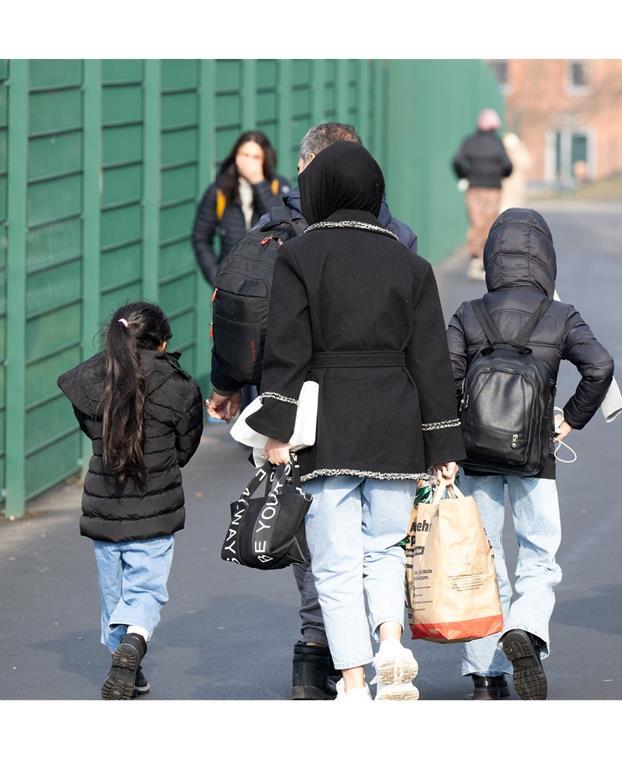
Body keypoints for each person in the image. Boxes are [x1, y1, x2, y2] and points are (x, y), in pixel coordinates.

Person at [205, 121, 421, 700]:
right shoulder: (393, 236)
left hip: (290, 403)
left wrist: (230, 388)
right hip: (384, 409)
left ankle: (317, 654)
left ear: (305, 167)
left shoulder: (274, 232)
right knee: (378, 543)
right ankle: (378, 645)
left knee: (318, 540)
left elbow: (242, 313)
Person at [246, 141, 465, 701]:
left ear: (318, 191)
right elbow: (430, 359)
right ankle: (392, 642)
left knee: (337, 560)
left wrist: (277, 428)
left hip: (328, 425)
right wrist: (443, 444)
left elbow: (288, 351)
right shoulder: (410, 263)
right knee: (386, 548)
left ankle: (353, 680)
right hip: (396, 420)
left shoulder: (300, 257)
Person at [446, 208, 615, 700]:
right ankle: (525, 627)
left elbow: (443, 379)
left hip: (474, 455)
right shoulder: (560, 316)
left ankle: (484, 673)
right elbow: (600, 366)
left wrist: (449, 442)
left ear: (491, 256)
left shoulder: (468, 312)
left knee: (483, 557)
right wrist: (568, 420)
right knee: (539, 554)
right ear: (546, 259)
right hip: (534, 454)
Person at [57, 302, 204, 699]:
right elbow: (186, 446)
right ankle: (135, 644)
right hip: (154, 509)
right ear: (163, 343)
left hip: (104, 507)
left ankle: (125, 664)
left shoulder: (92, 380)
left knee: (114, 593)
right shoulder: (179, 385)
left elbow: (91, 428)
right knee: (146, 590)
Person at [191, 130, 290, 286]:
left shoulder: (279, 187)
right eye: (244, 154)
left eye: (256, 157)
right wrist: (217, 277)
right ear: (235, 156)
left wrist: (258, 182)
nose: (249, 161)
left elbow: (282, 223)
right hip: (231, 283)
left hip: (269, 284)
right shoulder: (219, 190)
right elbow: (201, 238)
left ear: (265, 160)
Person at [453, 109, 513, 280]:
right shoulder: (497, 143)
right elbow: (508, 166)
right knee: (489, 222)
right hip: (493, 187)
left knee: (475, 221)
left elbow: (457, 161)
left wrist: (464, 175)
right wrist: (501, 174)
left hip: (474, 186)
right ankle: (485, 259)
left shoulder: (469, 142)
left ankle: (474, 258)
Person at [499, 132, 531, 213]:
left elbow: (527, 164)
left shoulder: (520, 153)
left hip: (516, 184)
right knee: (505, 206)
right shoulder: (502, 152)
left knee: (515, 206)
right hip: (506, 185)